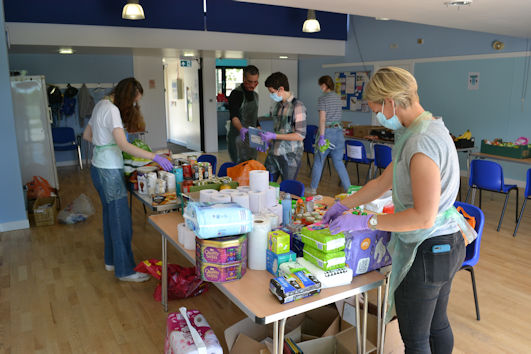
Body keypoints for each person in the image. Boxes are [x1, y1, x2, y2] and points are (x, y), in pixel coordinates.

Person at [322, 67, 476, 354]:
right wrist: (344, 204)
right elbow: (383, 182)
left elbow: (422, 216)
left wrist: (367, 220)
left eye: (375, 109)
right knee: (436, 326)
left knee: (417, 339)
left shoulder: (421, 143)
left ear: (390, 101)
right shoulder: (420, 129)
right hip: (444, 243)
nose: (377, 116)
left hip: (429, 249)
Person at [83, 78, 173, 282]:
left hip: (98, 168)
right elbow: (123, 145)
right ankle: (125, 270)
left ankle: (111, 261)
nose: (133, 106)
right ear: (126, 97)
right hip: (110, 172)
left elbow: (88, 135)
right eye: (133, 101)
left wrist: (105, 144)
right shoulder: (113, 111)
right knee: (120, 220)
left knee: (109, 218)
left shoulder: (100, 104)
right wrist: (154, 156)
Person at [260, 72, 307, 182]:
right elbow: (272, 127)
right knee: (266, 184)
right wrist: (266, 139)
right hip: (273, 152)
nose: (271, 95)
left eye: (272, 92)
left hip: (290, 155)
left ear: (281, 89)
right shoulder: (277, 106)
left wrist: (275, 136)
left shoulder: (298, 106)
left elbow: (300, 135)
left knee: (287, 190)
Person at [308, 75, 351, 195]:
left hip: (327, 133)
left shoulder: (323, 99)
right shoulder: (338, 98)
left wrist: (321, 137)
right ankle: (349, 188)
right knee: (338, 161)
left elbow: (322, 119)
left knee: (318, 161)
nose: (320, 87)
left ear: (324, 85)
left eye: (321, 85)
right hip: (339, 133)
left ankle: (313, 188)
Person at [227, 65, 260, 164]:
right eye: (250, 82)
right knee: (240, 168)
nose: (252, 85)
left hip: (252, 137)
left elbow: (254, 116)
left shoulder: (255, 96)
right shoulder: (236, 94)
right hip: (238, 138)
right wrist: (242, 129)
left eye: (255, 82)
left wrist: (259, 130)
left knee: (252, 166)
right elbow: (234, 116)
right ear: (243, 78)